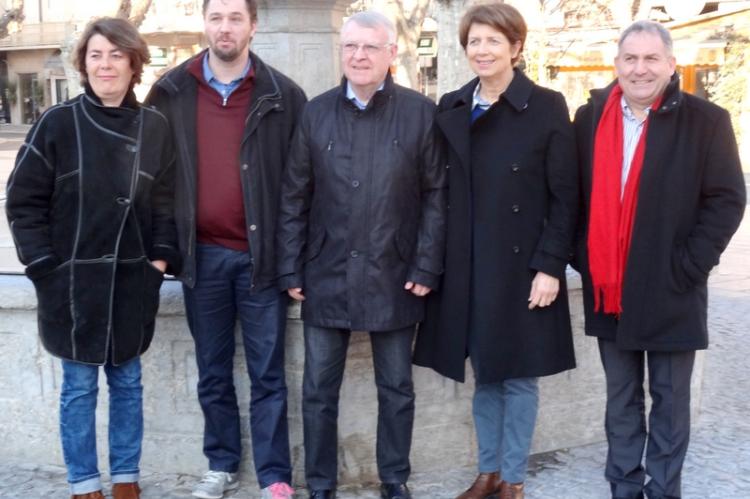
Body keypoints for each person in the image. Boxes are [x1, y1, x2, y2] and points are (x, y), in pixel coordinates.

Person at [5, 17, 180, 499]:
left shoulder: (155, 127)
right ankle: (85, 484)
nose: (106, 65)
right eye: (96, 55)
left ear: (133, 63)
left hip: (131, 283)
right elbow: (22, 200)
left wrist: (157, 266)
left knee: (128, 386)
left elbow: (167, 204)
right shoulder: (58, 123)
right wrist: (44, 268)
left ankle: (126, 480)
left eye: (116, 55)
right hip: (72, 285)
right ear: (83, 64)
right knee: (79, 389)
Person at [276, 10, 446, 499]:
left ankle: (395, 478)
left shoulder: (419, 113)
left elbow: (437, 194)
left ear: (391, 52)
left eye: (371, 46)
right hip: (325, 273)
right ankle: (321, 485)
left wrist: (426, 262)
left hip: (396, 273)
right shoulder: (317, 112)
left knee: (396, 389)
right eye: (351, 46)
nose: (359, 56)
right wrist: (290, 264)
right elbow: (294, 195)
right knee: (317, 393)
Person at [573, 20, 746, 499]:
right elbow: (571, 195)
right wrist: (583, 256)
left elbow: (727, 199)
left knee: (669, 403)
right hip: (610, 286)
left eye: (652, 59)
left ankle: (663, 490)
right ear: (617, 64)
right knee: (621, 399)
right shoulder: (589, 119)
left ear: (671, 65)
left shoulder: (706, 120)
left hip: (672, 286)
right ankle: (623, 488)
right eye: (631, 58)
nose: (640, 69)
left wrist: (689, 265)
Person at [412, 3, 578, 499]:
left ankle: (513, 480)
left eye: (492, 41)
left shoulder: (546, 106)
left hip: (523, 266)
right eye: (474, 42)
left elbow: (565, 196)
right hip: (469, 264)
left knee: (519, 376)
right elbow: (437, 191)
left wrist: (550, 266)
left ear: (516, 48)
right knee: (484, 375)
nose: (481, 50)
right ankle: (487, 473)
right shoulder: (453, 105)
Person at [146, 0, 306, 498]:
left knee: (268, 375)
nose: (225, 27)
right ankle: (221, 463)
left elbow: (301, 184)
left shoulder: (284, 94)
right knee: (213, 371)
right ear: (205, 24)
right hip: (203, 257)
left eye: (236, 17)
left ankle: (275, 475)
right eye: (217, 17)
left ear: (252, 26)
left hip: (263, 261)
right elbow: (153, 180)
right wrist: (164, 249)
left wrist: (292, 259)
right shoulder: (171, 91)